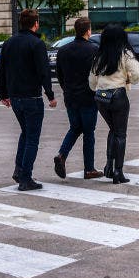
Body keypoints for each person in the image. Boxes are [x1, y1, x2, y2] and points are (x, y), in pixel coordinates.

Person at [0, 8, 57, 191]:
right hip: (32, 97)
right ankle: (26, 177)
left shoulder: (9, 43)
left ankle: (19, 169)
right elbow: (43, 71)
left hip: (15, 98)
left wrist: (3, 94)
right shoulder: (37, 44)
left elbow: (2, 70)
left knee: (25, 133)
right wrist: (50, 95)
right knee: (32, 138)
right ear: (35, 23)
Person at [89, 24, 139, 183]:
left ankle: (108, 166)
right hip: (118, 96)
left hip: (101, 97)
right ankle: (118, 171)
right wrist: (128, 79)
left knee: (113, 130)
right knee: (120, 134)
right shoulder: (125, 54)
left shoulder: (99, 55)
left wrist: (99, 88)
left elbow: (92, 82)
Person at [53, 17, 102, 180]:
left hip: (70, 97)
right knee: (89, 132)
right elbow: (98, 73)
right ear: (88, 31)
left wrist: (67, 89)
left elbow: (59, 75)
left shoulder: (63, 50)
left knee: (75, 127)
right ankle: (89, 168)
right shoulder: (94, 49)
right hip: (88, 97)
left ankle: (62, 155)